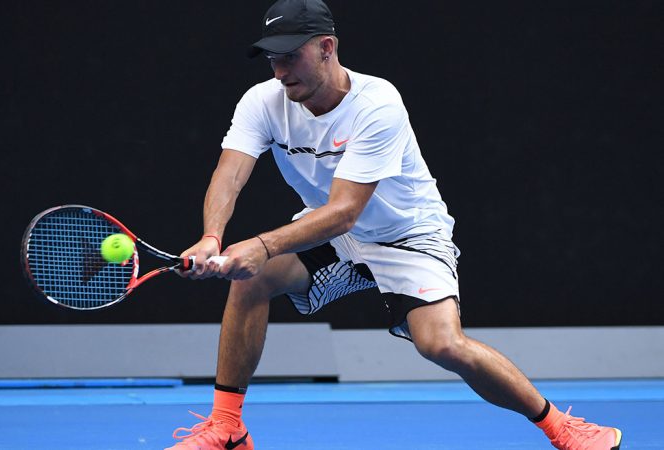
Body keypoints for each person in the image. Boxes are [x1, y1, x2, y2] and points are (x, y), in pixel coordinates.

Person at [167, 0, 622, 449]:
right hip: (340, 239)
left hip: (408, 237)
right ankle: (227, 427)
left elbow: (346, 209)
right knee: (253, 279)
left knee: (442, 345)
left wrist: (262, 245)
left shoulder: (377, 103)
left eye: (291, 56)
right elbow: (229, 173)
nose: (281, 71)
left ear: (327, 47)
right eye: (273, 59)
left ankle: (561, 427)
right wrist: (212, 237)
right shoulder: (263, 101)